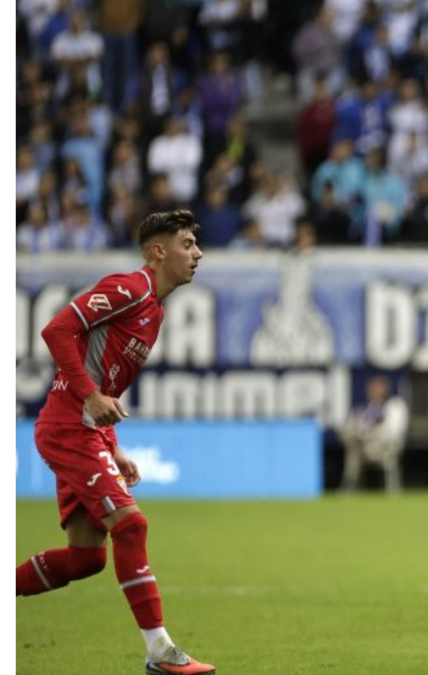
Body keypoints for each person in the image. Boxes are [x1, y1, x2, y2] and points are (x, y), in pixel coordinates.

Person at [16, 210, 216, 674]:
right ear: (157, 252)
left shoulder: (156, 310)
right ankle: (161, 652)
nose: (198, 253)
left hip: (85, 432)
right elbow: (56, 330)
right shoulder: (131, 288)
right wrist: (89, 397)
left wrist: (112, 447)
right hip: (68, 428)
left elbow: (101, 378)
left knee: (86, 558)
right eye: (187, 243)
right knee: (132, 526)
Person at [338, 375, 410, 493]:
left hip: (386, 447)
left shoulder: (395, 406)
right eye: (371, 389)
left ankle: (351, 486)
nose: (373, 392)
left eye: (377, 388)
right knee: (352, 444)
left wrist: (374, 433)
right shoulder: (366, 409)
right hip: (366, 446)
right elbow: (361, 428)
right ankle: (350, 486)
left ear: (385, 389)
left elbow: (395, 432)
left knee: (358, 444)